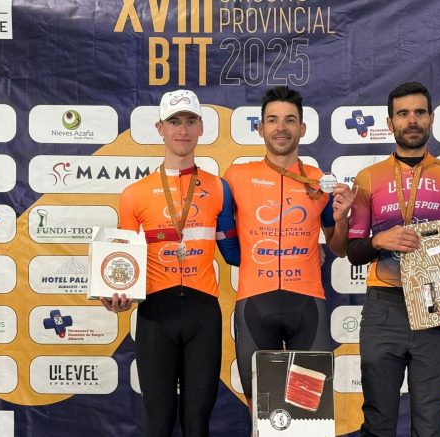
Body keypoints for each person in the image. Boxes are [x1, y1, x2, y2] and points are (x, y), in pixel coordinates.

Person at [346, 81, 440, 437]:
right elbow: (353, 252)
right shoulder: (368, 178)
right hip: (383, 309)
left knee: (430, 425)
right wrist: (378, 240)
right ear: (390, 123)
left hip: (436, 306)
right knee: (378, 423)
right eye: (403, 114)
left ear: (431, 118)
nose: (411, 120)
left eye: (418, 112)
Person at [100, 89, 240, 437]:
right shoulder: (134, 194)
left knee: (197, 423)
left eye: (190, 121)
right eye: (174, 122)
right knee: (159, 422)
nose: (182, 130)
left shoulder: (219, 188)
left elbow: (234, 253)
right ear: (160, 128)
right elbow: (123, 266)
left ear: (201, 128)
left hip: (203, 314)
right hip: (155, 315)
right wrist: (114, 296)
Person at [224, 86, 354, 408]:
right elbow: (221, 234)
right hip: (255, 305)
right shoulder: (236, 176)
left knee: (310, 413)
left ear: (302, 128)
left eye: (290, 120)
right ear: (260, 128)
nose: (281, 128)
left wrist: (342, 220)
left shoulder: (320, 181)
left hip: (307, 306)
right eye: (272, 120)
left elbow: (339, 248)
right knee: (261, 411)